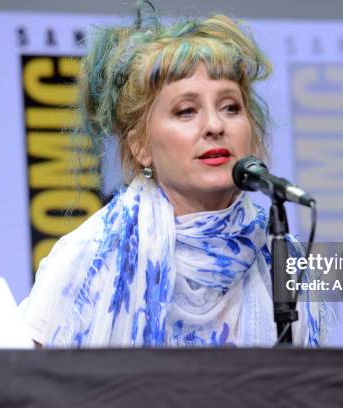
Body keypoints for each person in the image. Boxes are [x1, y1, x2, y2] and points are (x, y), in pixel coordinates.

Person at [19, 0, 325, 348]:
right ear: (140, 146)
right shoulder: (87, 258)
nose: (214, 125)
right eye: (185, 111)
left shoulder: (284, 258)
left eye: (230, 107)